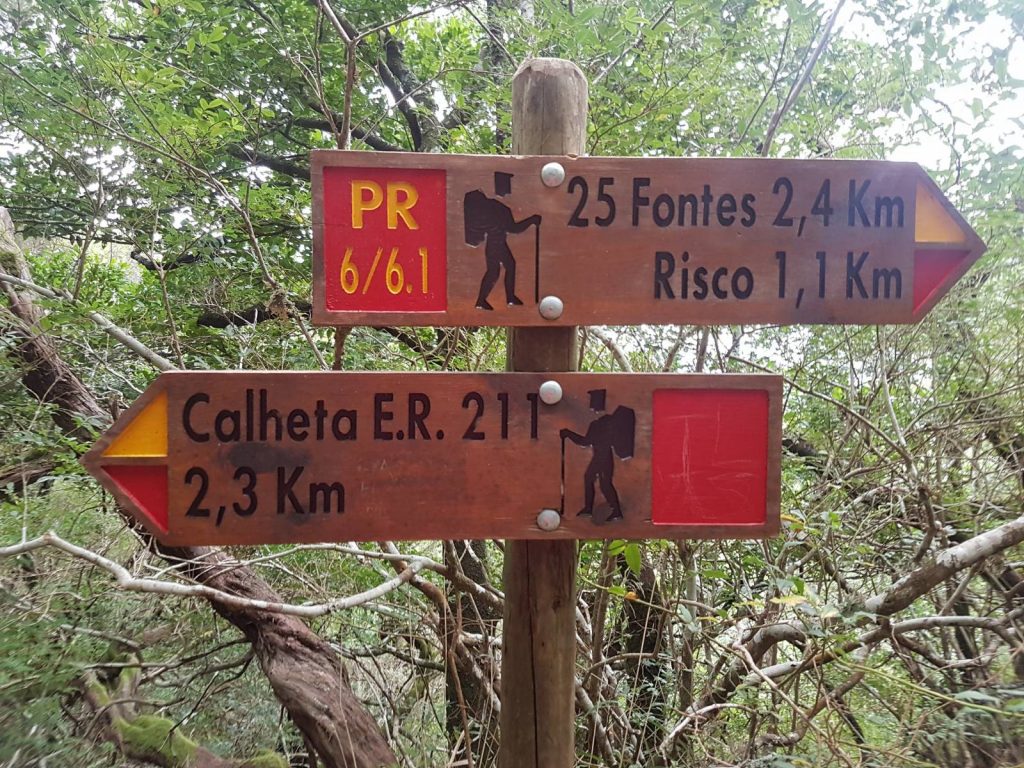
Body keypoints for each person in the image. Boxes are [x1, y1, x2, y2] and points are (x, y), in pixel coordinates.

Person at [464, 172, 541, 310]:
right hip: (496, 243)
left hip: (496, 242)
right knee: (496, 270)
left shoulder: (491, 208)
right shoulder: (498, 208)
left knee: (504, 267)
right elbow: (514, 228)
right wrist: (531, 220)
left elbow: (512, 228)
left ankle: (504, 298)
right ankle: (485, 300)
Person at [560, 389, 635, 521]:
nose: (592, 408)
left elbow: (585, 442)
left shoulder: (600, 424)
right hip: (604, 457)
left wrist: (568, 434)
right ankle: (606, 510)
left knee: (600, 482)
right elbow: (586, 442)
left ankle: (602, 509)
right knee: (601, 482)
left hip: (602, 457)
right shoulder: (605, 422)